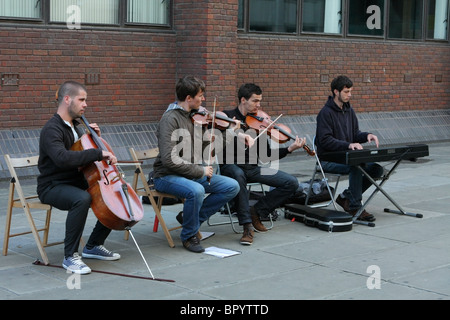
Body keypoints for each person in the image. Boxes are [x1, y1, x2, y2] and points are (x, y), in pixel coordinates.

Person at [37, 81, 121, 274]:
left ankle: (93, 245)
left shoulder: (77, 126)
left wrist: (95, 140)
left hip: (74, 180)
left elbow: (81, 153)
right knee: (81, 199)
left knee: (110, 194)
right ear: (67, 99)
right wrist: (98, 153)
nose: (85, 104)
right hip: (52, 186)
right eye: (81, 99)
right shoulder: (52, 129)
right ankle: (70, 257)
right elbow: (62, 158)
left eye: (86, 100)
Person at [152, 75, 241, 253]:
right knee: (196, 190)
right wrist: (199, 170)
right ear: (189, 98)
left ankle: (190, 219)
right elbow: (170, 161)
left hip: (189, 174)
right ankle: (189, 236)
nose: (203, 99)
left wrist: (230, 133)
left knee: (232, 186)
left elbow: (208, 148)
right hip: (166, 175)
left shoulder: (195, 117)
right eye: (200, 95)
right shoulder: (170, 120)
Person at [219, 83, 306, 246]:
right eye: (255, 101)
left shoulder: (259, 123)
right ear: (243, 100)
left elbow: (266, 157)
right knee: (238, 176)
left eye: (260, 101)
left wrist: (289, 149)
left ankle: (257, 211)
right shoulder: (228, 117)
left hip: (252, 168)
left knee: (291, 183)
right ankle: (246, 226)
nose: (259, 105)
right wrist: (232, 132)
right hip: (230, 166)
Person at [315, 75, 384, 221]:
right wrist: (348, 145)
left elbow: (355, 134)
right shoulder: (325, 113)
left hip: (347, 157)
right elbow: (325, 141)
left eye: (350, 91)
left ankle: (346, 197)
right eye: (346, 92)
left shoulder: (349, 111)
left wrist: (367, 136)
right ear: (336, 91)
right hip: (328, 159)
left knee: (376, 169)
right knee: (356, 166)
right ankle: (354, 207)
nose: (349, 95)